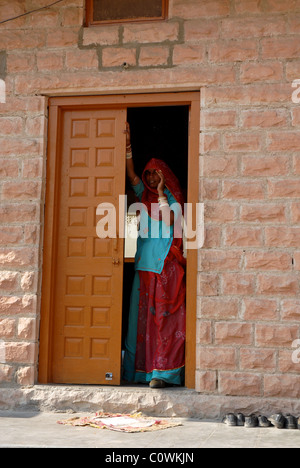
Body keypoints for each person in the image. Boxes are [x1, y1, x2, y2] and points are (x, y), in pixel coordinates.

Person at [123, 123, 186, 388]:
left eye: (155, 174)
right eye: (148, 175)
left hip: (165, 269)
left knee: (163, 321)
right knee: (140, 323)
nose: (149, 179)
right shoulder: (142, 197)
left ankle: (162, 373)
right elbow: (130, 173)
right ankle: (140, 372)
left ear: (164, 176)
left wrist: (161, 192)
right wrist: (126, 143)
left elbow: (172, 221)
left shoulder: (172, 199)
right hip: (144, 266)